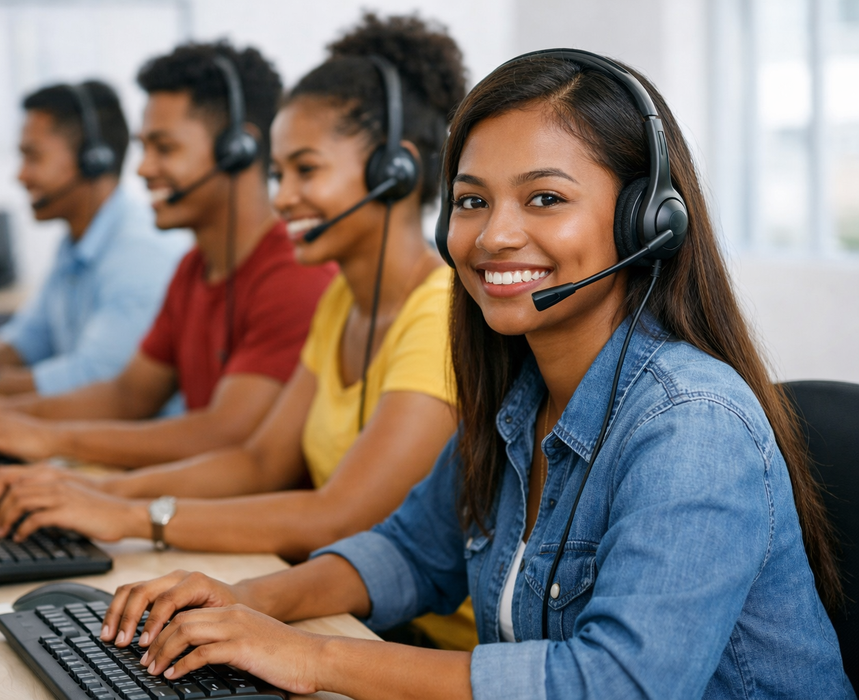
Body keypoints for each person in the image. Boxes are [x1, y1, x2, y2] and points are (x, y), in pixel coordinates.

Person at [91, 52, 855, 699]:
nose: (494, 235)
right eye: (471, 201)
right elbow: (411, 552)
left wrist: (311, 655)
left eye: (545, 199)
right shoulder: (521, 396)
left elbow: (617, 683)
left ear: (645, 222)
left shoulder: (691, 425)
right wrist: (243, 602)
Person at [0, 13, 477, 651]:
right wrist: (93, 493)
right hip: (348, 613)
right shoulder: (341, 306)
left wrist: (132, 516)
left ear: (394, 172)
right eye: (277, 174)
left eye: (305, 170)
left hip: (424, 643)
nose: (284, 196)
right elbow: (259, 459)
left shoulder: (438, 315)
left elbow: (342, 513)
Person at [0, 43, 335, 467]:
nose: (142, 169)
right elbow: (127, 395)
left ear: (237, 150)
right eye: (144, 147)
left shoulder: (294, 275)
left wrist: (54, 439)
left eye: (164, 148)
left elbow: (226, 433)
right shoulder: (193, 268)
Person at [0, 81, 191, 398]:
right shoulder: (76, 243)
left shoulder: (139, 249)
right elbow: (33, 337)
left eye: (33, 157)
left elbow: (96, 377)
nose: (20, 175)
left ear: (93, 160)